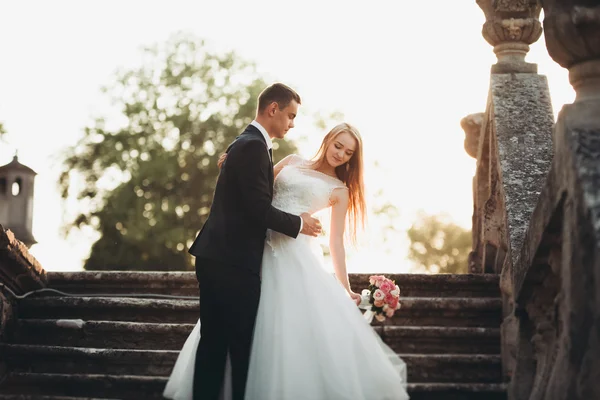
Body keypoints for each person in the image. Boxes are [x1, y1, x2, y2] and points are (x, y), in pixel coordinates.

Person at [165, 120, 409, 400]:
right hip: (252, 249)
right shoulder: (292, 161)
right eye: (338, 145)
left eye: (348, 152)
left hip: (291, 255)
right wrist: (233, 163)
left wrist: (346, 286)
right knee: (229, 325)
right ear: (328, 140)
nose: (340, 154)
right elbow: (257, 184)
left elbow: (336, 242)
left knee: (277, 329)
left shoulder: (339, 190)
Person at [165, 83, 322, 400]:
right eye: (290, 115)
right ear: (273, 109)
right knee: (239, 348)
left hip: (221, 258)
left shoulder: (248, 145)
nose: (292, 123)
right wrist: (299, 223)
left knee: (215, 345)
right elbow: (258, 210)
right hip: (232, 263)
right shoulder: (250, 146)